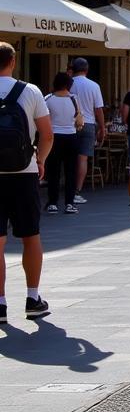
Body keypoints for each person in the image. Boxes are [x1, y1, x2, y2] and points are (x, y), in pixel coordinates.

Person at [0, 43, 53, 322]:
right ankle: (33, 298)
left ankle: (0, 303)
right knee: (30, 236)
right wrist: (41, 160)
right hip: (24, 173)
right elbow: (47, 135)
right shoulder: (30, 91)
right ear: (13, 61)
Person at [43, 73, 80, 215]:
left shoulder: (48, 99)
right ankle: (69, 203)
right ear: (69, 84)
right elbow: (78, 118)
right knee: (71, 171)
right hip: (71, 137)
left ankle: (53, 202)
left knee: (53, 171)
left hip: (55, 137)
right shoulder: (74, 99)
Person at [70, 57, 105, 206]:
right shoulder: (94, 86)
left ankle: (68, 190)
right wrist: (102, 127)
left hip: (70, 124)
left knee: (69, 158)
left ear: (73, 69)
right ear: (87, 69)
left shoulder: (68, 83)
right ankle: (77, 191)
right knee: (82, 159)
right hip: (89, 123)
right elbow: (98, 109)